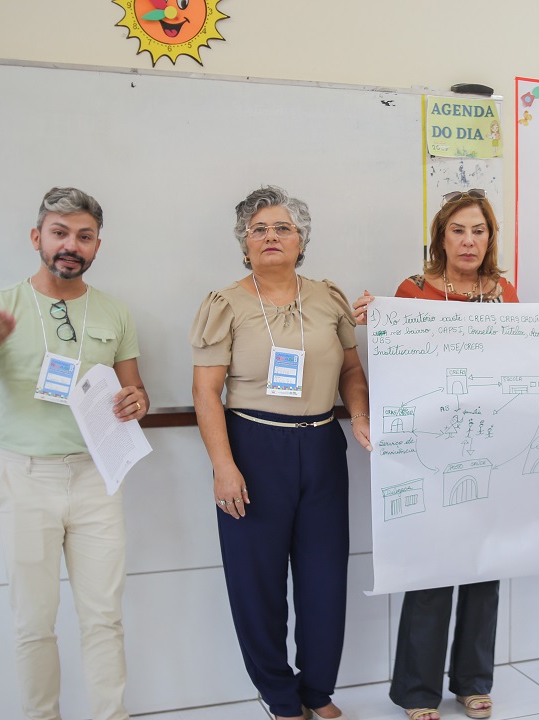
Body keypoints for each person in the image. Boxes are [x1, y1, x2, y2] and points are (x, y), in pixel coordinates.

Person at [353, 188, 539, 720]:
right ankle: (417, 692)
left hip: (492, 447)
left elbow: (525, 361)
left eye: (478, 231)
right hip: (431, 454)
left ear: (490, 239)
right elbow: (401, 366)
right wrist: (378, 320)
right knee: (430, 573)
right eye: (458, 230)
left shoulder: (503, 292)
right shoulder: (412, 291)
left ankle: (473, 681)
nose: (468, 240)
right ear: (441, 237)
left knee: (487, 564)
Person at [0, 187, 149, 720]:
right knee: (33, 623)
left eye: (84, 236)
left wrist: (137, 401)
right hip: (24, 477)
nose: (70, 245)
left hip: (97, 477)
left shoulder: (115, 311)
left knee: (104, 618)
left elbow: (135, 391)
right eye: (59, 233)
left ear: (97, 245)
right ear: (37, 237)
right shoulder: (0, 307)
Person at [190, 185, 371, 720]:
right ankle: (279, 695)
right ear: (244, 243)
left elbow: (351, 371)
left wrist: (359, 413)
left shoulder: (329, 298)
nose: (271, 236)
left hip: (322, 445)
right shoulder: (225, 304)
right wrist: (223, 466)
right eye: (259, 229)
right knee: (257, 583)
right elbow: (205, 392)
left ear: (301, 241)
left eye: (283, 228)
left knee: (324, 576)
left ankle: (318, 690)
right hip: (253, 446)